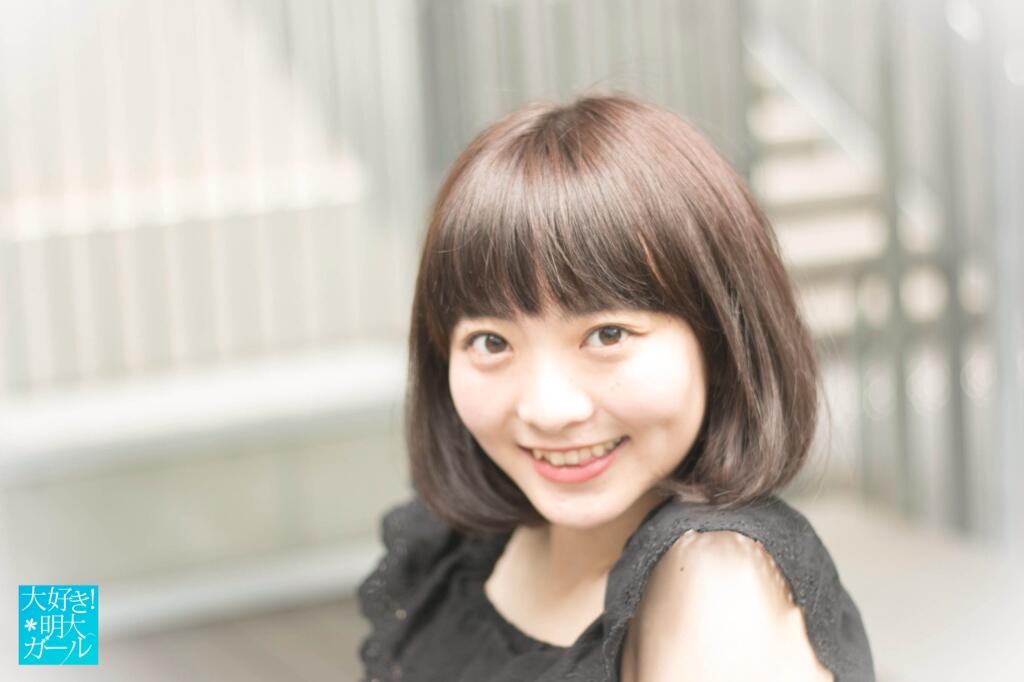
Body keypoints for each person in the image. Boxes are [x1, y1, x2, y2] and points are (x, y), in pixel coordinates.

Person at [357, 92, 875, 681]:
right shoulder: (461, 548)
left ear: (721, 337)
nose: (548, 410)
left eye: (608, 335)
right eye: (492, 342)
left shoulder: (715, 582)